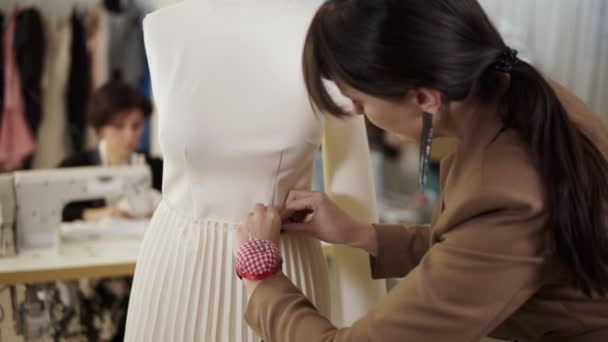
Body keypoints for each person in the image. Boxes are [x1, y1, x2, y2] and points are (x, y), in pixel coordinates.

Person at [234, 1, 608, 341]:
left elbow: (490, 242)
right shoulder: (531, 96)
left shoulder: (505, 196)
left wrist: (261, 274)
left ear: (426, 99)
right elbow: (478, 255)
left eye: (359, 100)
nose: (361, 114)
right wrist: (363, 235)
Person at [123, 1, 385, 341]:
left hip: (285, 267)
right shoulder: (165, 27)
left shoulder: (326, 33)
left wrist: (361, 312)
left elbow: (353, 191)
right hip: (177, 273)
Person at [59, 80, 162, 222]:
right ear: (100, 130)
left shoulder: (157, 169)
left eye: (136, 126)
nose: (130, 135)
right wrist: (94, 214)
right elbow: (58, 210)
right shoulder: (73, 167)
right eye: (119, 127)